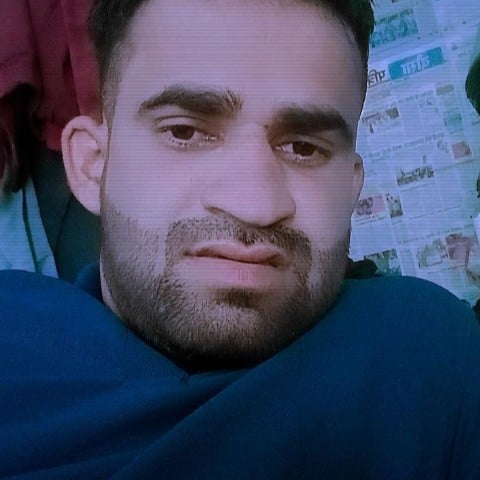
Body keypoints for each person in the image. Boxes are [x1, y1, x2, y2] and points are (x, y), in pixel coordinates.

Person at [1, 0, 480, 478]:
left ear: (351, 187)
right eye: (184, 132)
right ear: (92, 164)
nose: (255, 204)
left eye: (304, 147)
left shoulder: (428, 355)